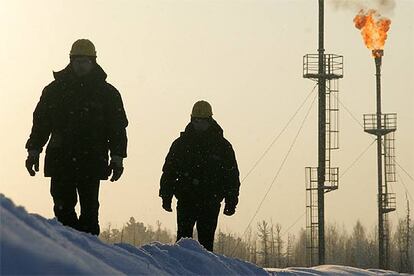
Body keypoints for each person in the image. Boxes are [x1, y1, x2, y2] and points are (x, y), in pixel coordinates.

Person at [25, 39, 128, 235]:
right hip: (60, 158)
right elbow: (41, 124)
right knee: (63, 210)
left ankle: (89, 255)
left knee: (89, 212)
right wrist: (33, 151)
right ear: (71, 61)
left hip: (92, 159)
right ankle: (69, 253)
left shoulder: (108, 94)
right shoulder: (54, 91)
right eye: (77, 61)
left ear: (93, 62)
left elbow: (117, 129)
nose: (81, 65)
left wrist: (117, 158)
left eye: (85, 61)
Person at [159, 100, 240, 251]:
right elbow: (169, 171)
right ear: (191, 120)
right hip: (186, 199)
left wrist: (231, 200)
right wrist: (166, 195)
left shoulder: (222, 146)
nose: (199, 124)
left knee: (206, 244)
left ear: (210, 121)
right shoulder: (181, 144)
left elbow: (232, 175)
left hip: (210, 201)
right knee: (182, 244)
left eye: (203, 121)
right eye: (196, 121)